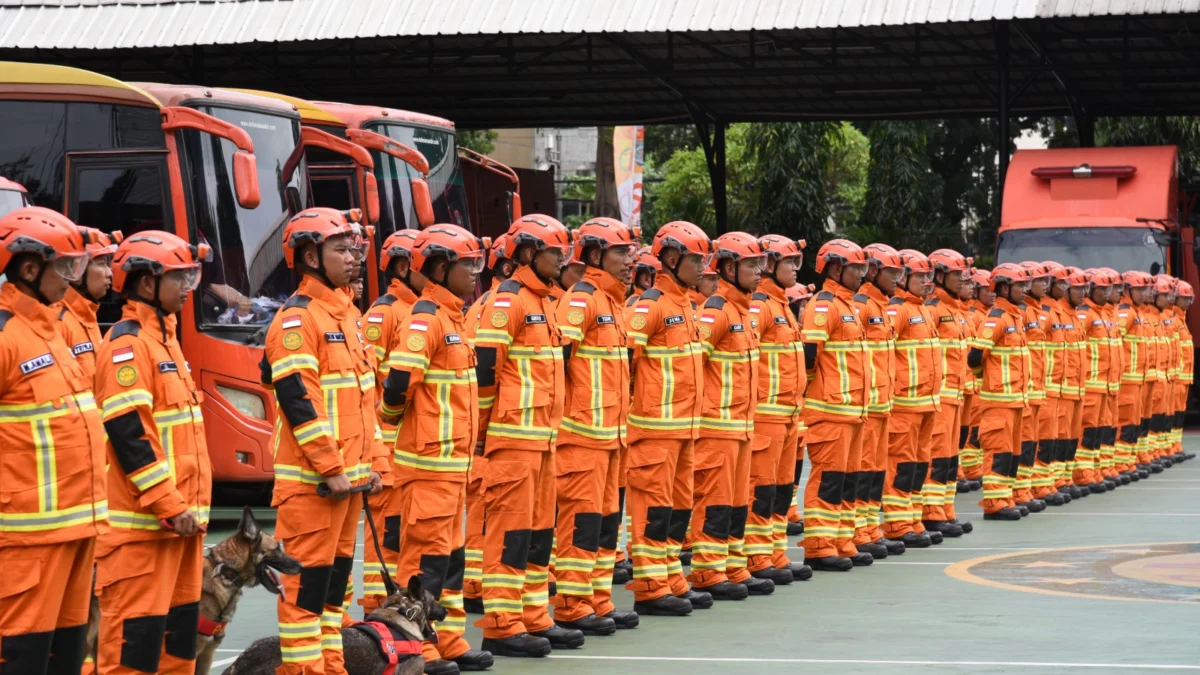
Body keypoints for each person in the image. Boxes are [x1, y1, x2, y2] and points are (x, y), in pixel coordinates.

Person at [263, 208, 386, 675]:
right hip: (315, 486)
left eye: (353, 248)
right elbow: (300, 404)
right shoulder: (298, 320)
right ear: (311, 255)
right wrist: (332, 469)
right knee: (306, 593)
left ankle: (331, 667)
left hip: (347, 484)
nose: (353, 256)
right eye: (341, 248)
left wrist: (375, 465)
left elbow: (364, 402)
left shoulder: (348, 316)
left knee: (336, 589)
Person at [94, 230, 212, 675]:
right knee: (133, 651)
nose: (188, 287)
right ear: (147, 284)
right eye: (180, 277)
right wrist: (169, 502)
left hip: (181, 527)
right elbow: (130, 434)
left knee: (177, 648)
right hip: (142, 533)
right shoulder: (128, 345)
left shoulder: (166, 340)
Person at [380, 223, 494, 675]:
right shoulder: (426, 318)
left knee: (449, 561)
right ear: (442, 268)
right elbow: (397, 385)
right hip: (428, 465)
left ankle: (446, 639)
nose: (475, 273)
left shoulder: (454, 318)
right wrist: (393, 426)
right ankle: (417, 649)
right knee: (423, 563)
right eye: (468, 265)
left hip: (452, 467)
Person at [0, 207, 106, 675]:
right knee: (22, 657)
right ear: (29, 269)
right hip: (28, 540)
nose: (71, 280)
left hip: (78, 530)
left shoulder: (50, 332)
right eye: (65, 268)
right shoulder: (6, 336)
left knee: (66, 655)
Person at [473, 215, 576, 656]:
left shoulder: (548, 302)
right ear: (530, 254)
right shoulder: (507, 301)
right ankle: (501, 622)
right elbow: (484, 373)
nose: (562, 260)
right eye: (555, 253)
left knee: (538, 534)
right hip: (512, 439)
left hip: (543, 439)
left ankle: (534, 615)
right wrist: (479, 437)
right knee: (510, 533)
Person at [550, 217, 641, 633]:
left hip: (610, 439)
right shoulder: (581, 299)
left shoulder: (615, 303)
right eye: (621, 252)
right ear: (593, 255)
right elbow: (558, 365)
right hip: (581, 438)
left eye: (629, 252)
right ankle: (572, 602)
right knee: (581, 524)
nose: (629, 260)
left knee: (606, 524)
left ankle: (598, 599)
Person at [625, 221, 712, 614]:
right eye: (696, 260)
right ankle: (650, 584)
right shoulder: (650, 305)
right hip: (655, 430)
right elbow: (625, 363)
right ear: (673, 259)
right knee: (653, 509)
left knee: (678, 508)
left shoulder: (686, 305)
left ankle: (671, 576)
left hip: (683, 430)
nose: (703, 267)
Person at [686, 232, 774, 599]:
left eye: (759, 264)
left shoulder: (743, 312)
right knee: (715, 502)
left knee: (738, 502)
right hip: (717, 427)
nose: (758, 271)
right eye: (752, 264)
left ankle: (733, 566)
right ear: (728, 267)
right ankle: (708, 571)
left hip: (740, 427)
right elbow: (694, 365)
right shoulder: (717, 311)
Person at [359, 229, 420, 616]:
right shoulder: (383, 313)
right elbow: (367, 379)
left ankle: (396, 603)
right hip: (387, 442)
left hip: (409, 444)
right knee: (385, 531)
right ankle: (376, 606)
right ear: (402, 266)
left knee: (405, 533)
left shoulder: (419, 311)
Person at [800, 239, 871, 571]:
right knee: (828, 478)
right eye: (856, 269)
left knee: (847, 480)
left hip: (852, 411)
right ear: (836, 268)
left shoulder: (848, 305)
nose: (861, 275)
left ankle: (842, 538)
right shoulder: (824, 305)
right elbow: (809, 359)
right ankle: (819, 544)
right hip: (831, 410)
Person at [750, 236, 815, 580]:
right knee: (760, 491)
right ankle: (757, 558)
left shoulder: (781, 307)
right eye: (789, 262)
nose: (794, 268)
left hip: (787, 416)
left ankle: (774, 554)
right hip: (765, 415)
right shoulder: (759, 307)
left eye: (796, 262)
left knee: (780, 491)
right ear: (770, 264)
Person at [463, 234, 514, 615]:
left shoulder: (490, 304)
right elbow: (485, 375)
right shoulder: (492, 307)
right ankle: (474, 582)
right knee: (483, 507)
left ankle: (477, 581)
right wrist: (480, 431)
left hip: (496, 426)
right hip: (491, 429)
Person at [882, 250, 945, 544]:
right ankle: (897, 524)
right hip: (904, 404)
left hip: (925, 403)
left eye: (927, 276)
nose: (926, 281)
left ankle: (913, 518)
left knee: (919, 465)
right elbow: (882, 354)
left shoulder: (921, 309)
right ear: (903, 278)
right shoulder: (897, 310)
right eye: (920, 276)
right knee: (901, 464)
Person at [853, 244, 907, 556]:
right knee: (860, 473)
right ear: (873, 271)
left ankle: (870, 528)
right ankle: (858, 531)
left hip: (881, 405)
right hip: (864, 407)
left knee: (874, 473)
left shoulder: (881, 307)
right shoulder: (861, 306)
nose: (898, 278)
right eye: (892, 272)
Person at [967, 263, 1030, 521]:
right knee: (997, 453)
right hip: (998, 401)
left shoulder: (1015, 317)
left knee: (1012, 454)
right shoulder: (996, 318)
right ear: (1004, 288)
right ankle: (994, 503)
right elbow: (974, 357)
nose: (1024, 291)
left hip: (1014, 400)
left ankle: (1006, 497)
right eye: (1020, 286)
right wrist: (987, 379)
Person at [923, 249, 976, 533]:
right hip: (939, 395)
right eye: (957, 275)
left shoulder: (955, 311)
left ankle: (945, 508)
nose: (962, 279)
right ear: (940, 276)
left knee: (950, 454)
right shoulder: (932, 310)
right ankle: (931, 513)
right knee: (937, 453)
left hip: (955, 394)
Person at [1014, 262, 1054, 510]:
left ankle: (1026, 489)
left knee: (1033, 442)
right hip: (1024, 390)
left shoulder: (1038, 312)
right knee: (1023, 442)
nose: (1045, 286)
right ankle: (1020, 491)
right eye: (1040, 281)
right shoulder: (1022, 313)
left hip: (1037, 389)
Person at [58, 227, 120, 380]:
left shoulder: (85, 317)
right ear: (77, 270)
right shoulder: (58, 321)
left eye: (109, 264)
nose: (110, 273)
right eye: (101, 263)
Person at [1044, 263, 1083, 498]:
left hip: (1070, 387)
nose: (1078, 291)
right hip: (1051, 389)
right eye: (1065, 285)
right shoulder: (1047, 314)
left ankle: (1063, 478)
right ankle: (1051, 481)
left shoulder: (1068, 314)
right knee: (1050, 437)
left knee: (1067, 435)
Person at [783, 282, 814, 536]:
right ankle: (786, 512)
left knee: (795, 467)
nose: (805, 309)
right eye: (801, 304)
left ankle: (790, 511)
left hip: (797, 414)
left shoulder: (800, 333)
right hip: (785, 413)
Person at [1115, 271, 1153, 483]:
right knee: (1125, 422)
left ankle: (1129, 461)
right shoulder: (1125, 312)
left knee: (1134, 422)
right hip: (1127, 379)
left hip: (1137, 378)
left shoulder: (1135, 311)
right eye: (1139, 289)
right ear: (1128, 290)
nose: (1143, 293)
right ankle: (1122, 463)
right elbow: (1115, 342)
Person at [959, 269, 993, 490]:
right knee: (966, 433)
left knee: (967, 432)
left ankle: (968, 468)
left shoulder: (968, 314)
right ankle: (966, 469)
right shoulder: (974, 314)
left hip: (971, 385)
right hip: (959, 385)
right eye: (985, 289)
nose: (970, 288)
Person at [1170, 280, 1195, 462]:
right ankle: (1170, 447)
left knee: (1179, 414)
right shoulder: (1173, 319)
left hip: (1184, 379)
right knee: (1171, 414)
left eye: (1189, 299)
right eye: (1183, 299)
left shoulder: (1181, 319)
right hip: (1177, 377)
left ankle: (1175, 445)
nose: (1187, 303)